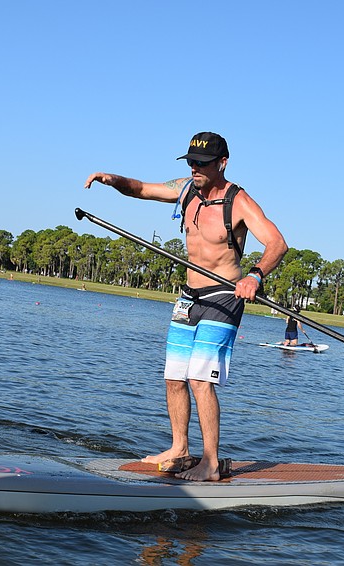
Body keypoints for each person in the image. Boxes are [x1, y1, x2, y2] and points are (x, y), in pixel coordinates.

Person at [84, 132, 288, 481]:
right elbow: (141, 189)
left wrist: (254, 276)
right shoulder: (185, 189)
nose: (194, 168)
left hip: (224, 298)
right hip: (188, 298)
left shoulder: (239, 202)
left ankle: (210, 461)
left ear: (222, 163)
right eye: (190, 162)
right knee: (174, 377)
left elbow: (277, 243)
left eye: (202, 164)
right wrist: (111, 180)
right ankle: (180, 448)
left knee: (198, 379)